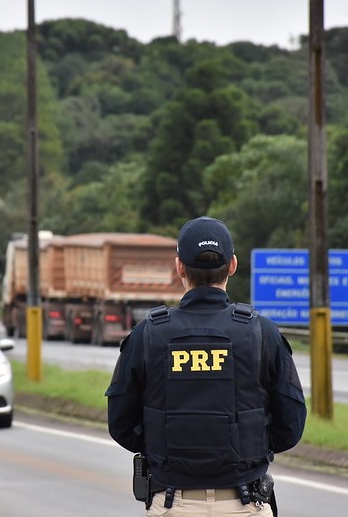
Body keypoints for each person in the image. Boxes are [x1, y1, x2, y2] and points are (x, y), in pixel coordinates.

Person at [106, 217, 307, 516]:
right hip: (245, 505)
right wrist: (244, 452)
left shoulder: (148, 333)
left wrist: (167, 450)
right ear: (233, 265)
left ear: (179, 268)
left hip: (173, 505)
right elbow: (290, 426)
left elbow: (121, 423)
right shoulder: (262, 332)